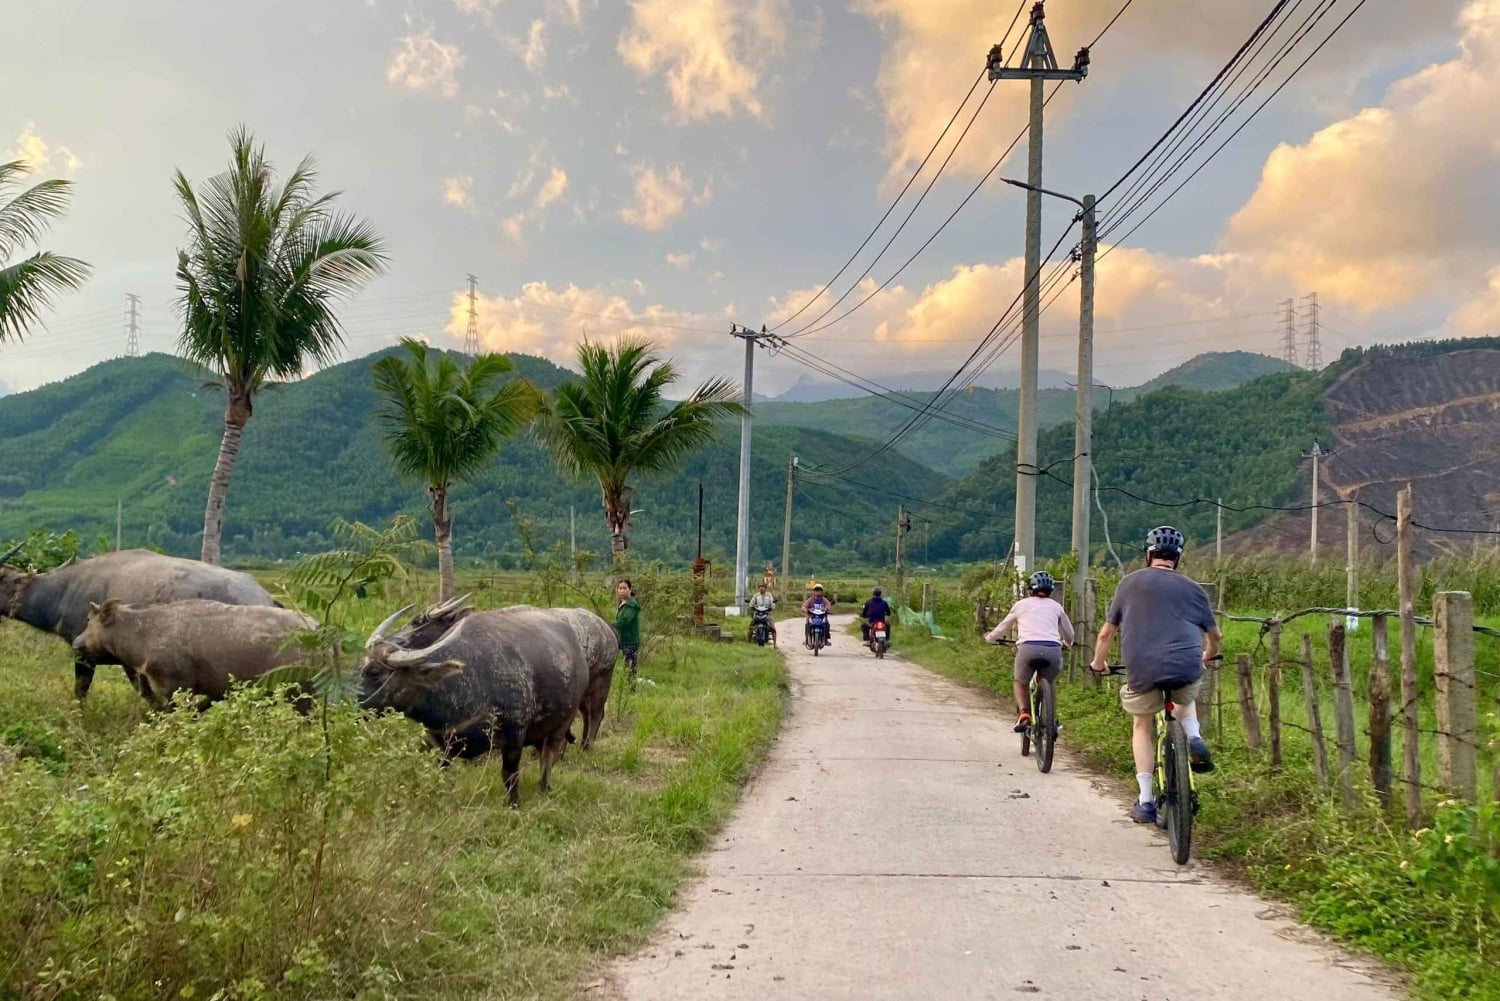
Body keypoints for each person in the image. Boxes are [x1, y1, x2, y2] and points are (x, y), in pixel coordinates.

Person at [1089, 526, 1222, 825]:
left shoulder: (1129, 583)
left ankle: (1146, 800)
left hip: (1143, 668)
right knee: (1186, 697)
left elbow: (1106, 634)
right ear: (1178, 558)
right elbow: (1215, 636)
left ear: (1148, 554)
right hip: (1185, 664)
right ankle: (1194, 736)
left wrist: (1098, 664)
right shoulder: (1194, 588)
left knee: (1142, 725)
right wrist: (1207, 654)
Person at [984, 571, 1073, 732]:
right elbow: (1070, 634)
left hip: (1028, 649)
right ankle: (1052, 720)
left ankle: (1024, 714)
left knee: (1020, 682)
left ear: (1030, 589)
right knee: (1049, 682)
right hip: (1053, 650)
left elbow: (1003, 627)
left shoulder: (1021, 605)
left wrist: (990, 638)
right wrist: (1067, 643)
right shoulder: (1056, 607)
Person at [614, 579, 641, 680]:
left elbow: (625, 620)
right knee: (626, 665)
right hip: (623, 639)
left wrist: (610, 625)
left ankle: (631, 686)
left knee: (630, 667)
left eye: (624, 588)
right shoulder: (622, 603)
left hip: (630, 640)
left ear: (630, 589)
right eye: (620, 588)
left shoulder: (632, 604)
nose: (621, 591)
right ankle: (626, 683)